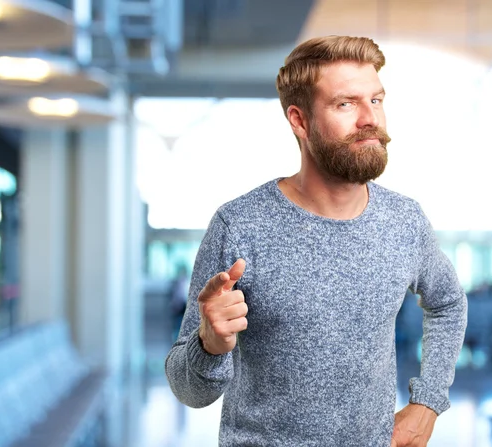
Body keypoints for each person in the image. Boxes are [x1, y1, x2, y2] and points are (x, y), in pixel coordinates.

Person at [165, 35, 468, 447]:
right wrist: (210, 345)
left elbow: (448, 303)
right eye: (346, 104)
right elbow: (190, 391)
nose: (370, 119)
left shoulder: (405, 221)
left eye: (376, 101)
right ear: (300, 121)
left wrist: (428, 402)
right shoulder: (239, 225)